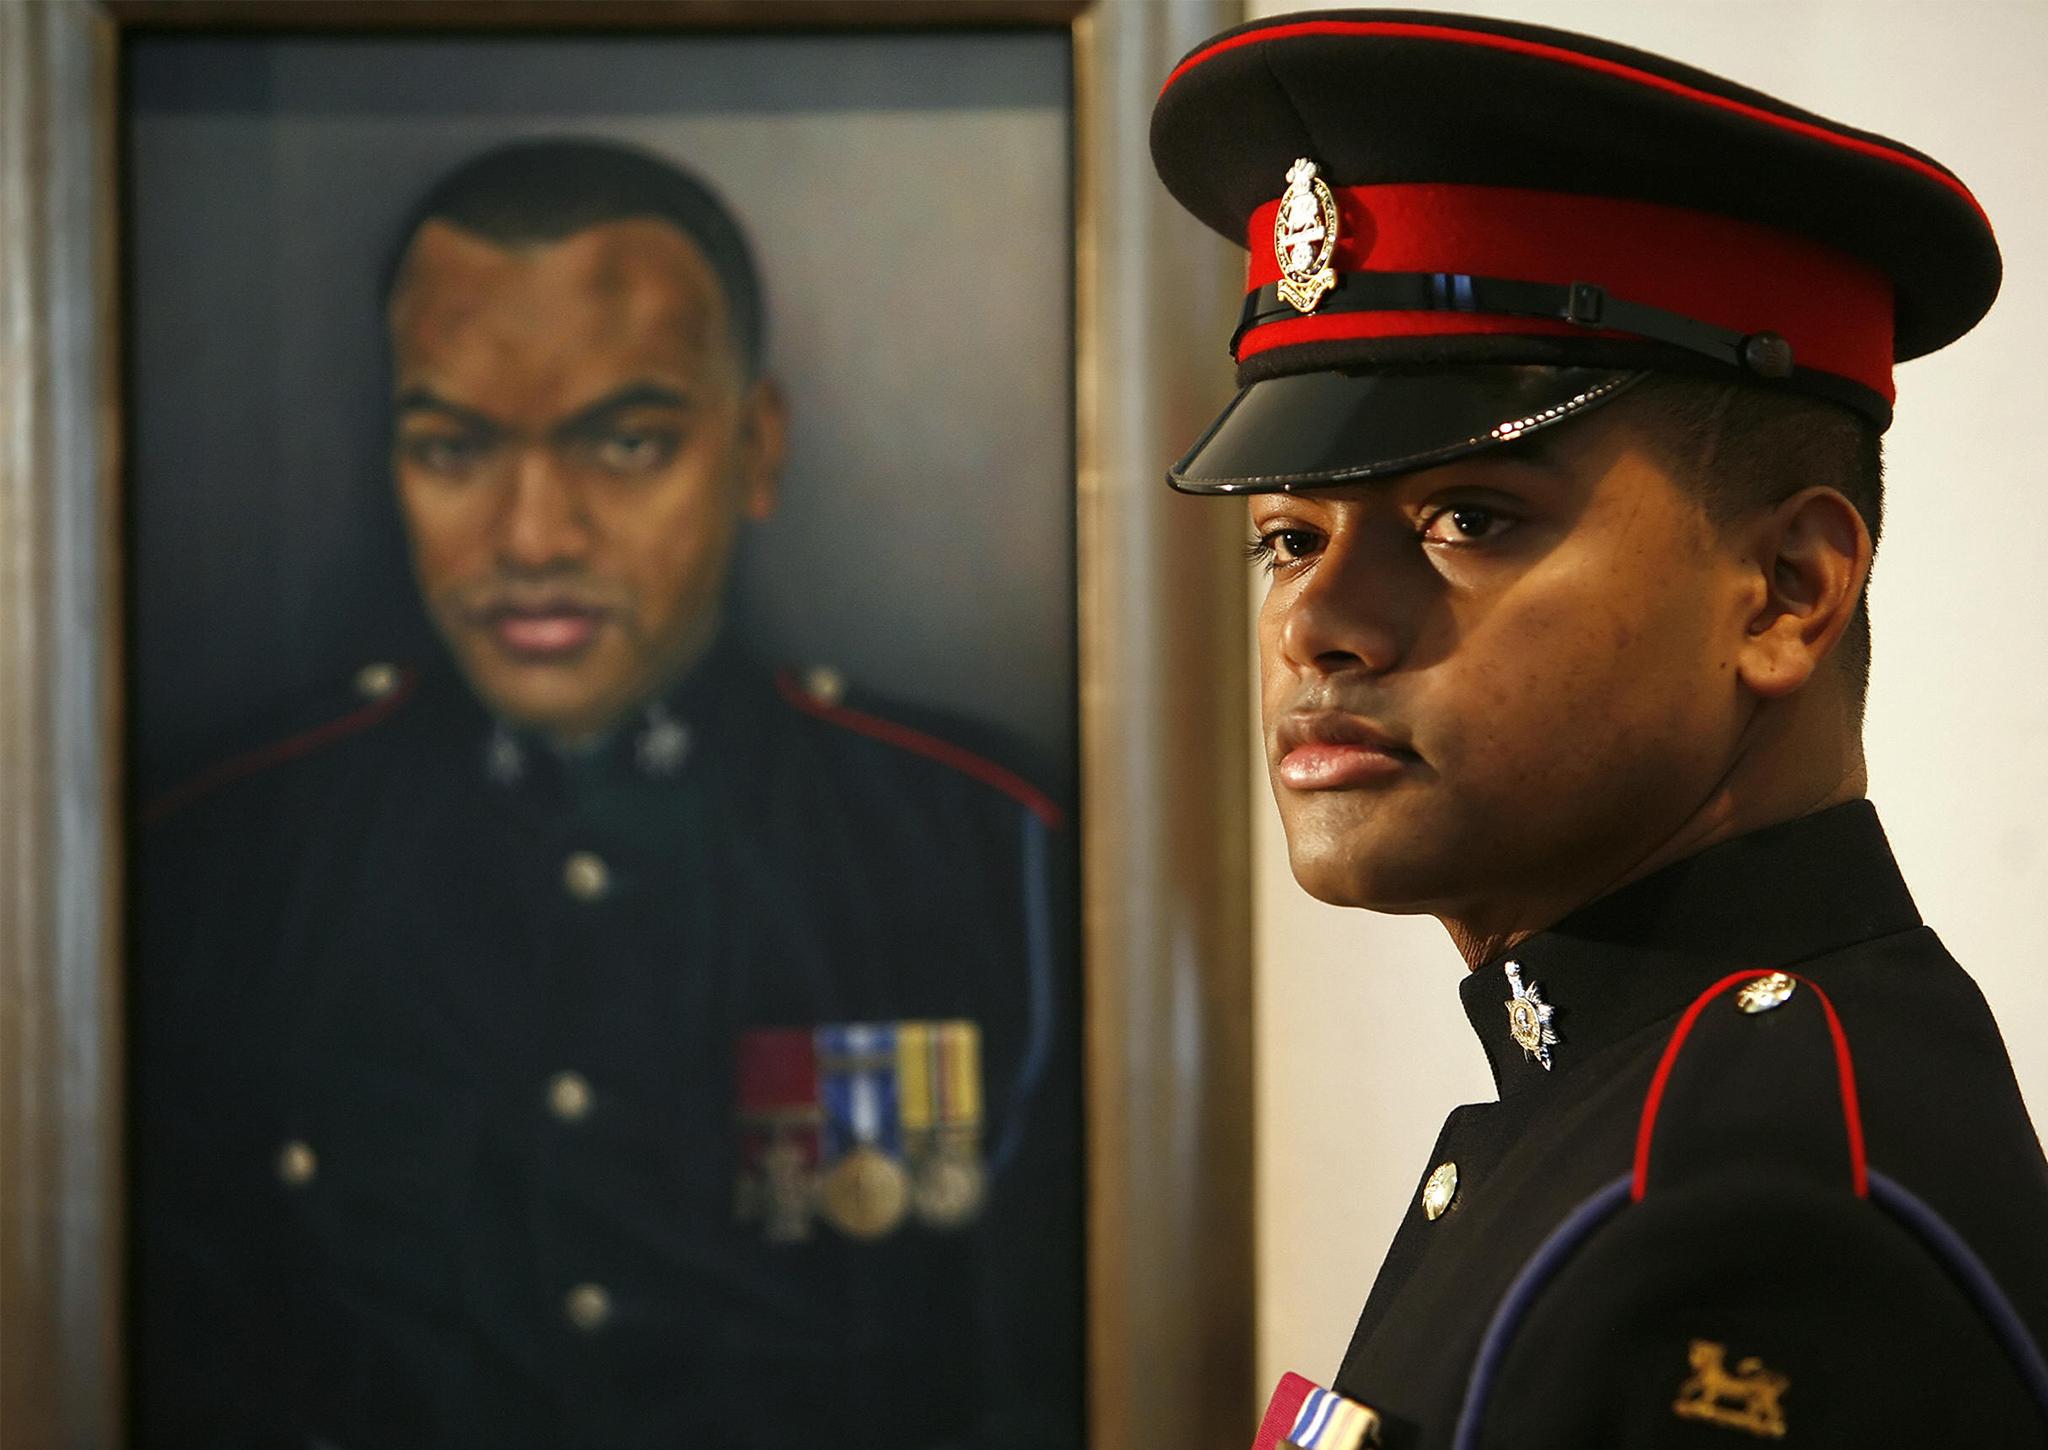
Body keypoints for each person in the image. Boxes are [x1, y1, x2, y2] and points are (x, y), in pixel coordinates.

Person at [1151, 11, 2048, 1448]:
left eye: (1467, 516)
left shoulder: (1754, 1218)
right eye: (1287, 535)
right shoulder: (1631, 1101)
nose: (1317, 621)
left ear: (1786, 593)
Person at [133, 139, 1080, 1450]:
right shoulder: (222, 869)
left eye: (625, 442)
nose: (532, 535)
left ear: (754, 450)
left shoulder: (986, 850)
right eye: (454, 447)